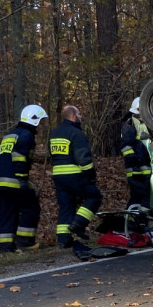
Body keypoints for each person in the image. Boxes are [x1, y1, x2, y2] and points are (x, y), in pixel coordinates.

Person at [48, 105, 102, 258]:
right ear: (72, 116)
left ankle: (64, 240)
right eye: (78, 113)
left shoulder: (54, 133)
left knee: (66, 206)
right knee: (94, 196)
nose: (81, 116)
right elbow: (83, 159)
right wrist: (91, 175)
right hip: (75, 175)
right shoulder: (76, 133)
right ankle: (79, 224)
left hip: (58, 176)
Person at [0, 104, 48, 252]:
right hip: (15, 181)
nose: (42, 125)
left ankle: (5, 246)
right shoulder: (27, 136)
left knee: (7, 212)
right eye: (41, 121)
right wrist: (22, 179)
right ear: (34, 120)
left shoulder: (9, 135)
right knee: (31, 208)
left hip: (0, 181)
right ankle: (25, 242)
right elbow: (19, 158)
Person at [120, 97, 152, 209]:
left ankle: (136, 221)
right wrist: (132, 158)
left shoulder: (145, 123)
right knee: (142, 195)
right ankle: (138, 221)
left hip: (146, 166)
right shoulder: (130, 124)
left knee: (141, 196)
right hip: (135, 169)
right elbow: (126, 146)